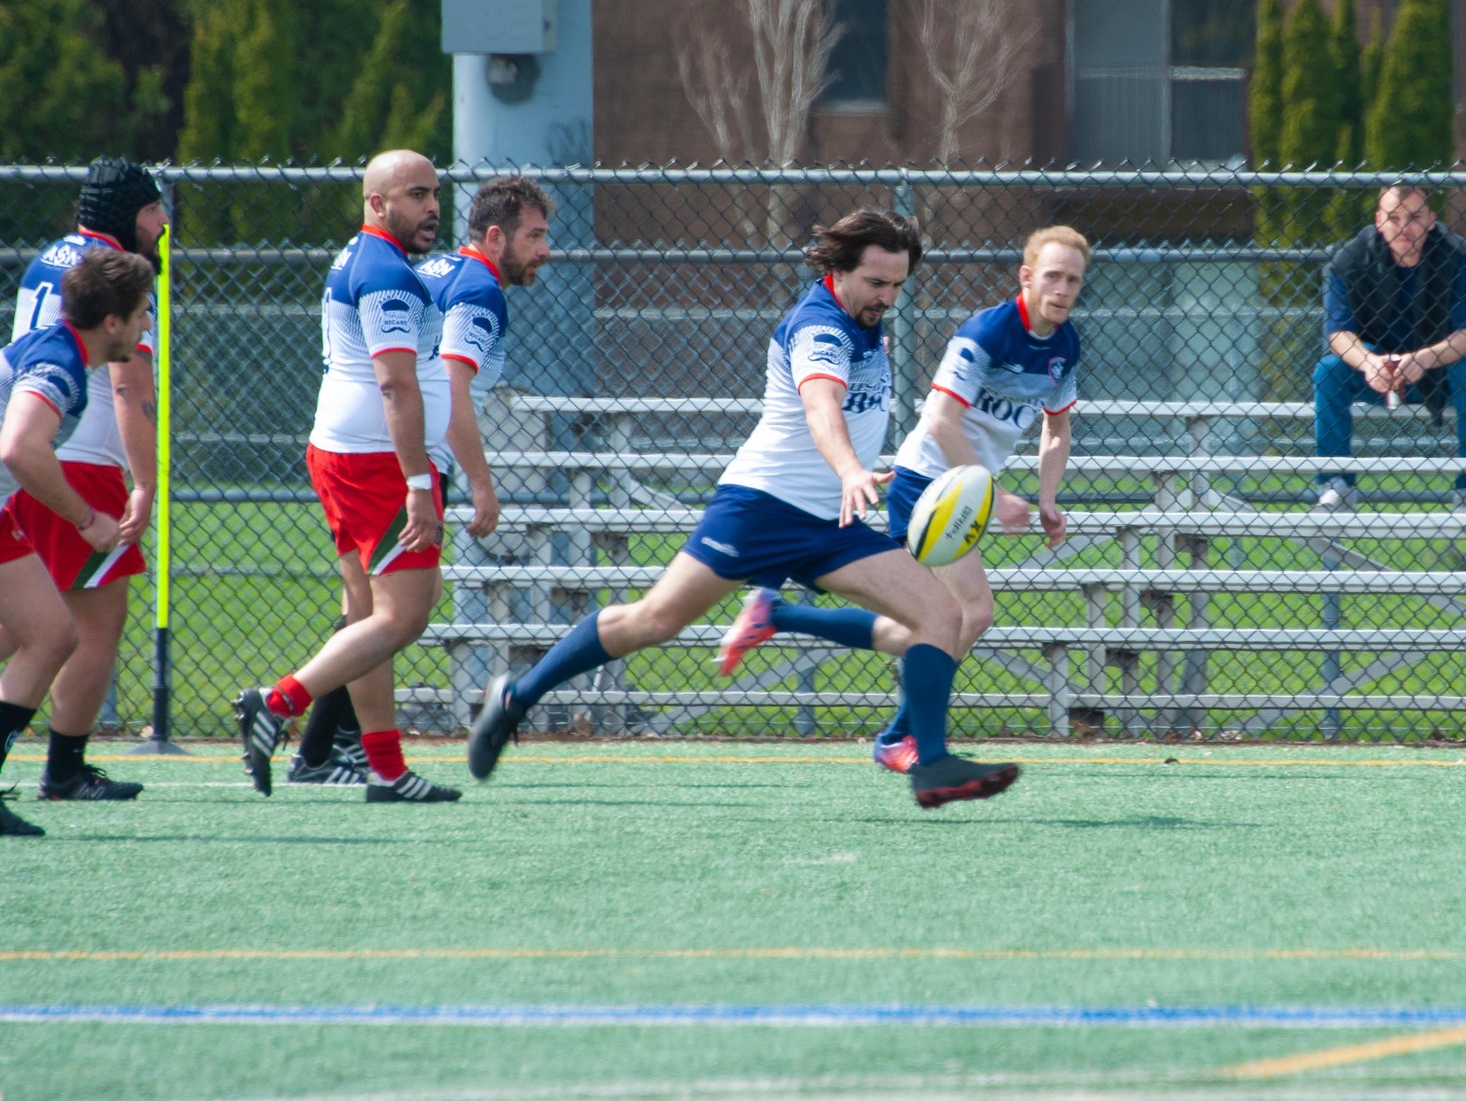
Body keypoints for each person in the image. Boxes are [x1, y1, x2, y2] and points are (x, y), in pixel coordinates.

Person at [467, 210, 1019, 809]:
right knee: (654, 620)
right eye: (876, 283)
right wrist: (851, 470)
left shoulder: (864, 322)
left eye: (897, 286)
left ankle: (930, 764)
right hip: (759, 510)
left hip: (830, 525)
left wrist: (848, 479)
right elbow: (821, 407)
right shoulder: (820, 328)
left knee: (941, 613)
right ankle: (514, 698)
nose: (887, 297)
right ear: (838, 271)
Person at [725, 225, 1087, 775]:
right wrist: (995, 495)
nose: (1062, 289)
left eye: (1074, 280)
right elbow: (940, 421)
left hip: (963, 486)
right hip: (930, 481)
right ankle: (902, 738)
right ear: (1028, 277)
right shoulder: (987, 332)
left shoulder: (1065, 345)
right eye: (1053, 276)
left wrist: (1047, 497)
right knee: (970, 611)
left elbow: (1056, 428)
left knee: (921, 626)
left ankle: (782, 615)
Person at [284, 175, 554, 785]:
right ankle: (300, 721)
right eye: (534, 236)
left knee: (380, 607)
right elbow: (450, 391)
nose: (544, 250)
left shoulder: (436, 271)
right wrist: (478, 483)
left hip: (354, 447)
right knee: (397, 613)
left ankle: (327, 748)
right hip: (392, 457)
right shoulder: (481, 291)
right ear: (494, 236)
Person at [235, 149, 461, 803]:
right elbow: (395, 384)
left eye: (435, 193)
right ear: (376, 202)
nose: (432, 206)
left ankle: (386, 768)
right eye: (416, 194)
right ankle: (276, 702)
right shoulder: (387, 271)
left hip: (342, 452)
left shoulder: (360, 257)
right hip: (376, 465)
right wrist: (421, 482)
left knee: (366, 613)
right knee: (404, 614)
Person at [0, 159, 167, 802]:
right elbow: (127, 387)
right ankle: (64, 769)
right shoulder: (115, 285)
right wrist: (143, 483)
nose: (162, 221)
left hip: (38, 453)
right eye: (153, 209)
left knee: (27, 626)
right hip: (75, 460)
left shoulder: (51, 256)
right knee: (89, 623)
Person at [1311, 185, 1466, 512]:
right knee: (1328, 371)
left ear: (1432, 221)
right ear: (1379, 221)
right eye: (1393, 218)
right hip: (1376, 371)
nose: (1404, 227)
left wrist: (1424, 359)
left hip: (1437, 368)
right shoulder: (1350, 259)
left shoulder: (1460, 257)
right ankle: (1336, 485)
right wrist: (1369, 362)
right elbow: (1338, 334)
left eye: (1414, 217)